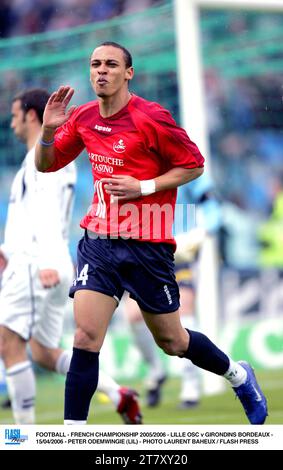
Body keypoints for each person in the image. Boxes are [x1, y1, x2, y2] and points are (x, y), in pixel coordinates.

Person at [35, 41, 268, 425]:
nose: (101, 70)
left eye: (111, 64)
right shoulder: (83, 117)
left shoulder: (151, 117)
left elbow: (194, 165)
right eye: (95, 64)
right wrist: (47, 132)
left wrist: (142, 187)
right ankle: (71, 434)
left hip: (148, 246)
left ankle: (238, 375)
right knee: (84, 338)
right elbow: (47, 164)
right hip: (99, 243)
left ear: (129, 73)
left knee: (173, 341)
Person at [0, 88, 142, 425]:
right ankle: (118, 393)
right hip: (40, 261)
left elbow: (48, 213)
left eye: (15, 115)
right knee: (45, 354)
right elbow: (33, 214)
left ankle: (23, 440)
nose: (11, 123)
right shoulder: (43, 157)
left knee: (7, 342)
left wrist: (47, 259)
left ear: (31, 116)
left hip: (37, 265)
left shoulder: (45, 157)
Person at [124, 171, 222, 408]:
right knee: (134, 315)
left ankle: (190, 385)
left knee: (183, 311)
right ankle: (156, 371)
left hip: (179, 250)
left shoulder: (182, 163)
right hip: (145, 249)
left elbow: (210, 204)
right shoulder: (137, 162)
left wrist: (203, 231)